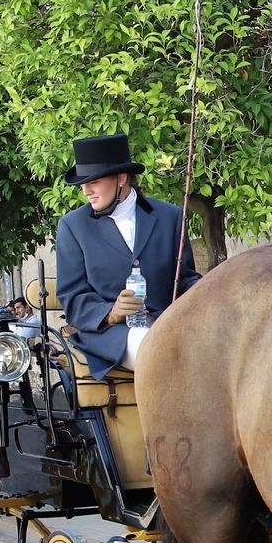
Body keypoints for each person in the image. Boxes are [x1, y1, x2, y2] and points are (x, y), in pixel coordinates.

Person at [53, 133, 200, 375]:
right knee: (156, 351)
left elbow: (184, 279)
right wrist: (111, 313)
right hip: (109, 335)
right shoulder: (73, 226)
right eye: (83, 183)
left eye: (94, 181)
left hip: (168, 325)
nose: (86, 191)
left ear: (121, 178)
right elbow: (72, 296)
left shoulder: (170, 217)